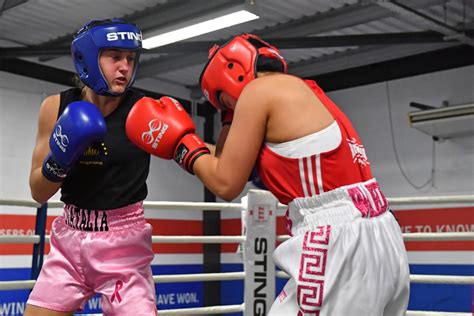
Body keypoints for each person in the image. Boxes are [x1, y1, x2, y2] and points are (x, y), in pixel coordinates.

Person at [125, 33, 410, 315]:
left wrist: (181, 145)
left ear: (231, 73)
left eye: (223, 101)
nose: (228, 109)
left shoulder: (257, 93)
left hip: (339, 241)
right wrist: (201, 140)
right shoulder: (303, 90)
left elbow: (226, 182)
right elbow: (231, 162)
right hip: (381, 234)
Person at [26, 19, 159, 315]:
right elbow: (38, 191)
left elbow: (203, 156)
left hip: (124, 244)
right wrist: (60, 160)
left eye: (131, 58)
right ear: (88, 57)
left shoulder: (145, 111)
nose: (125, 67)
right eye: (115, 57)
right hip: (69, 239)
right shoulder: (56, 107)